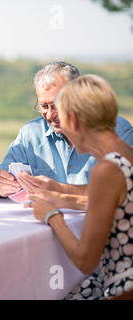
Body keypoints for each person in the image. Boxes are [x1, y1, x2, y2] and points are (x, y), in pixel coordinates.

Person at [25, 75, 133, 300]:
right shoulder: (126, 154)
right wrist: (60, 197)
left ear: (73, 120)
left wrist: (51, 216)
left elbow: (84, 260)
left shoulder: (106, 169)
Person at [0, 62, 132, 201]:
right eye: (44, 106)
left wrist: (58, 192)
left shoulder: (118, 132)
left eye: (56, 105)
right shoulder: (30, 133)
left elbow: (116, 193)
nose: (49, 115)